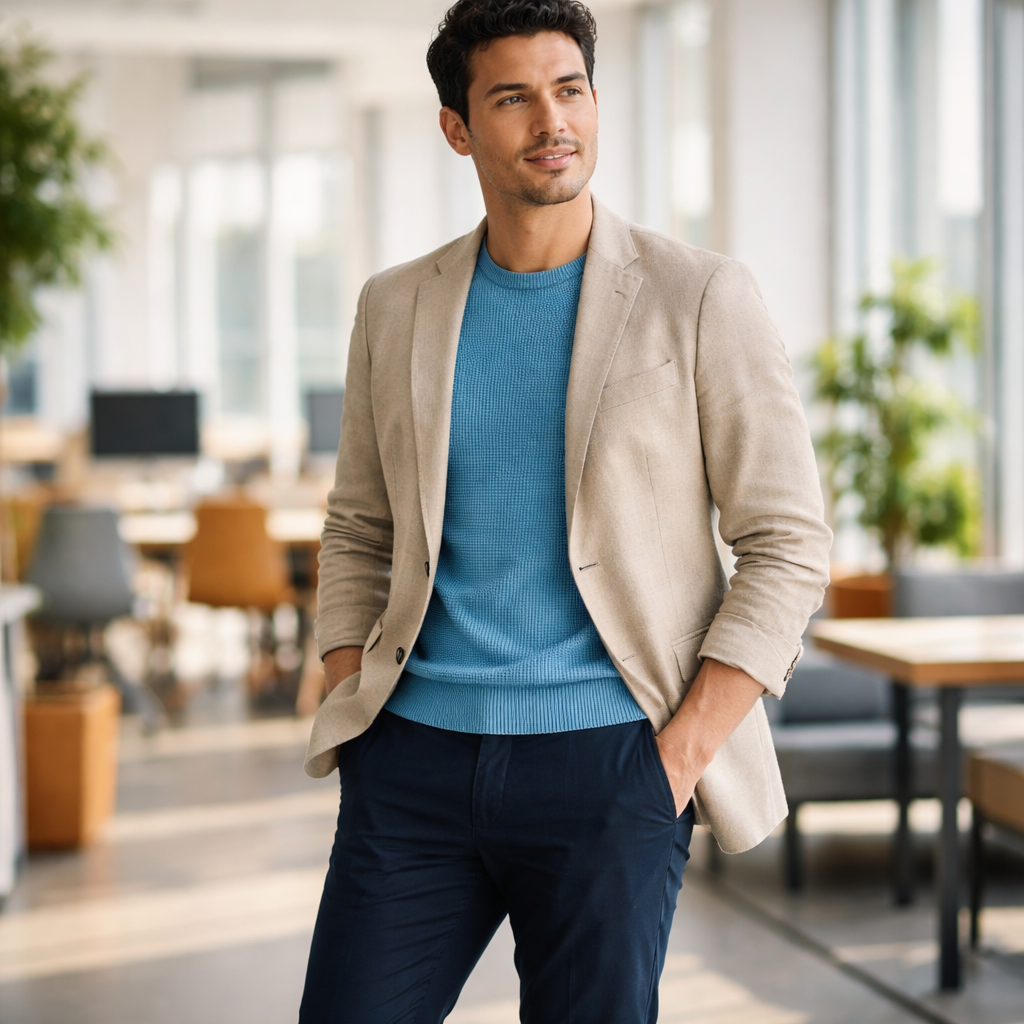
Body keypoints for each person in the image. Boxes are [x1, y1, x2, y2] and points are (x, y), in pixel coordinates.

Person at [299, 0, 831, 1020]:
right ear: (457, 126)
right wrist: (346, 690)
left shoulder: (700, 295)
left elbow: (786, 542)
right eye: (512, 98)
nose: (553, 120)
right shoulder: (395, 305)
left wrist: (676, 755)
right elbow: (359, 524)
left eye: (570, 89)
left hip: (610, 763)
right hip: (411, 763)